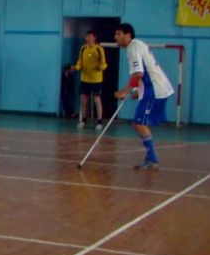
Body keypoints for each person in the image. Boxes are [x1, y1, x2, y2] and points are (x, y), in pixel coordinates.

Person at [113, 23, 174, 170]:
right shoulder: (137, 45)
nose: (116, 37)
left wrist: (125, 91)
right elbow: (144, 73)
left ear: (128, 35)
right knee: (138, 123)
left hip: (155, 90)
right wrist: (137, 92)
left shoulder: (133, 47)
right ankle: (150, 158)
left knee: (139, 123)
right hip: (151, 89)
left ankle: (152, 160)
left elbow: (138, 74)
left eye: (119, 34)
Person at [74, 30, 108, 130]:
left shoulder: (99, 49)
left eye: (89, 36)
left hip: (96, 79)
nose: (87, 38)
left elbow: (104, 63)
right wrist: (76, 67)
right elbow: (80, 62)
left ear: (94, 38)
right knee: (83, 100)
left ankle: (99, 122)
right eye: (86, 36)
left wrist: (100, 67)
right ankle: (83, 121)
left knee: (97, 100)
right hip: (84, 79)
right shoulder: (83, 48)